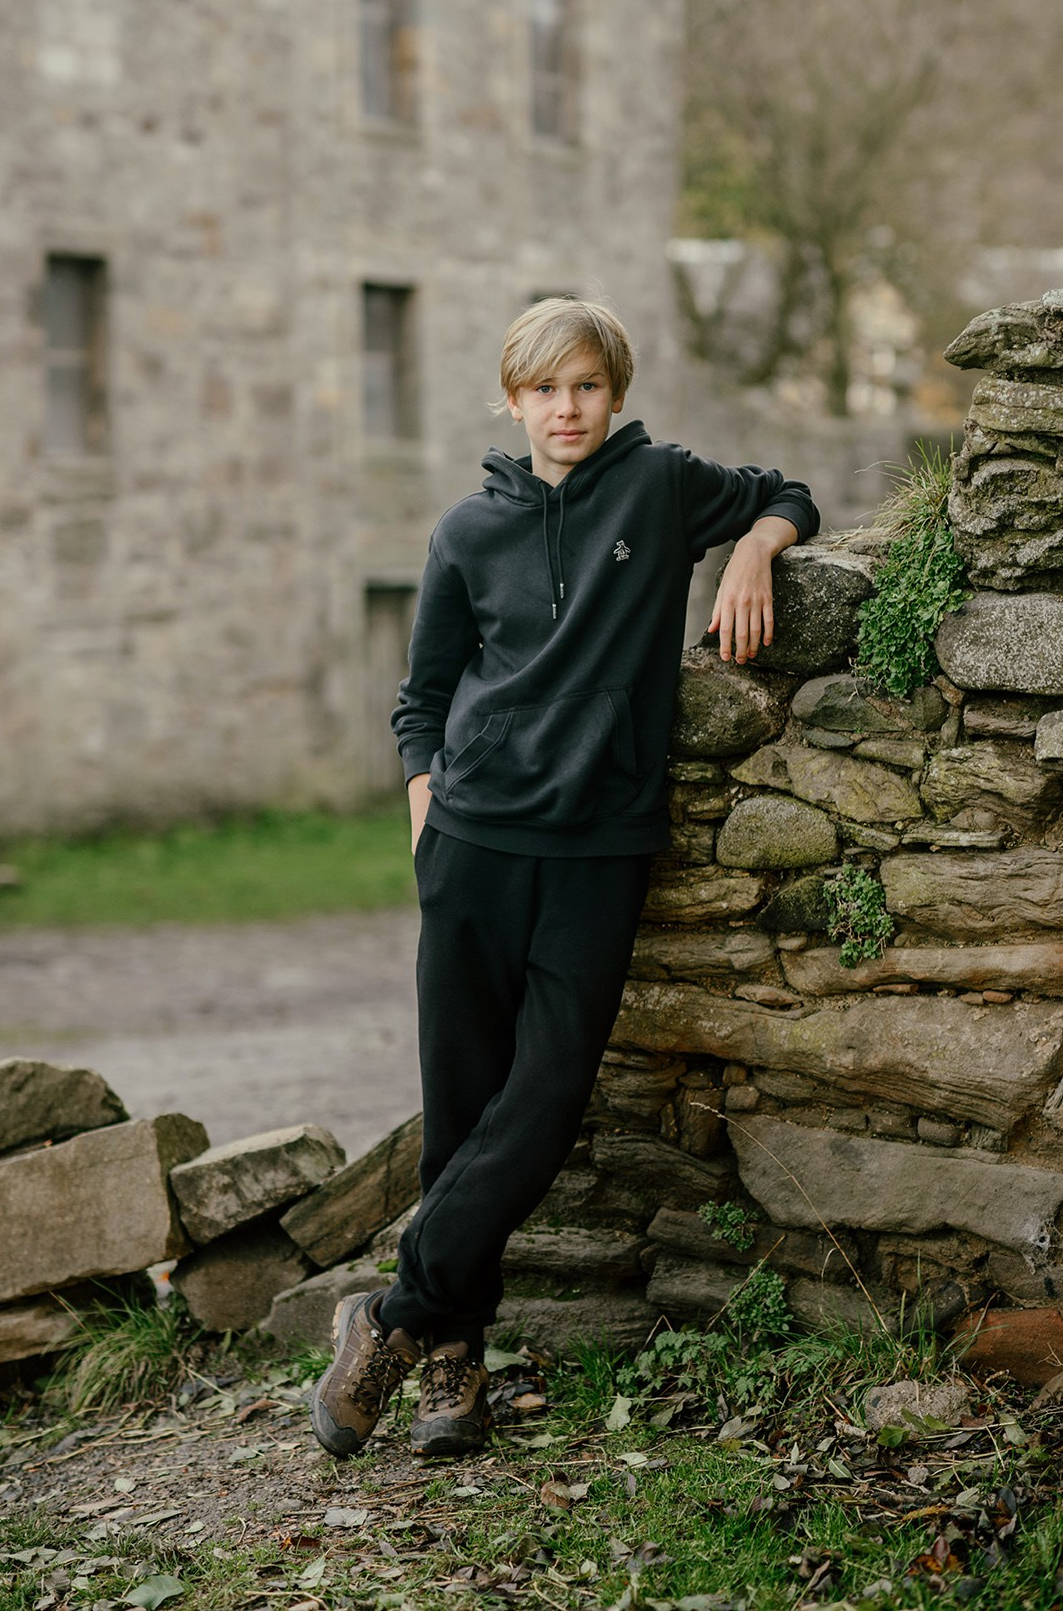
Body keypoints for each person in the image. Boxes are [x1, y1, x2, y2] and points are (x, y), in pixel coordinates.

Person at [310, 297, 819, 1460]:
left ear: (615, 394)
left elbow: (791, 492)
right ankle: (451, 1370)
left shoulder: (658, 487)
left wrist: (751, 548)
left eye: (586, 385)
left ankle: (384, 1318)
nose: (566, 408)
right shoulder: (465, 531)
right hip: (474, 846)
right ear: (512, 400)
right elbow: (421, 693)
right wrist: (422, 795)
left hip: (597, 848)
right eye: (544, 388)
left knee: (541, 1103)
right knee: (462, 1111)